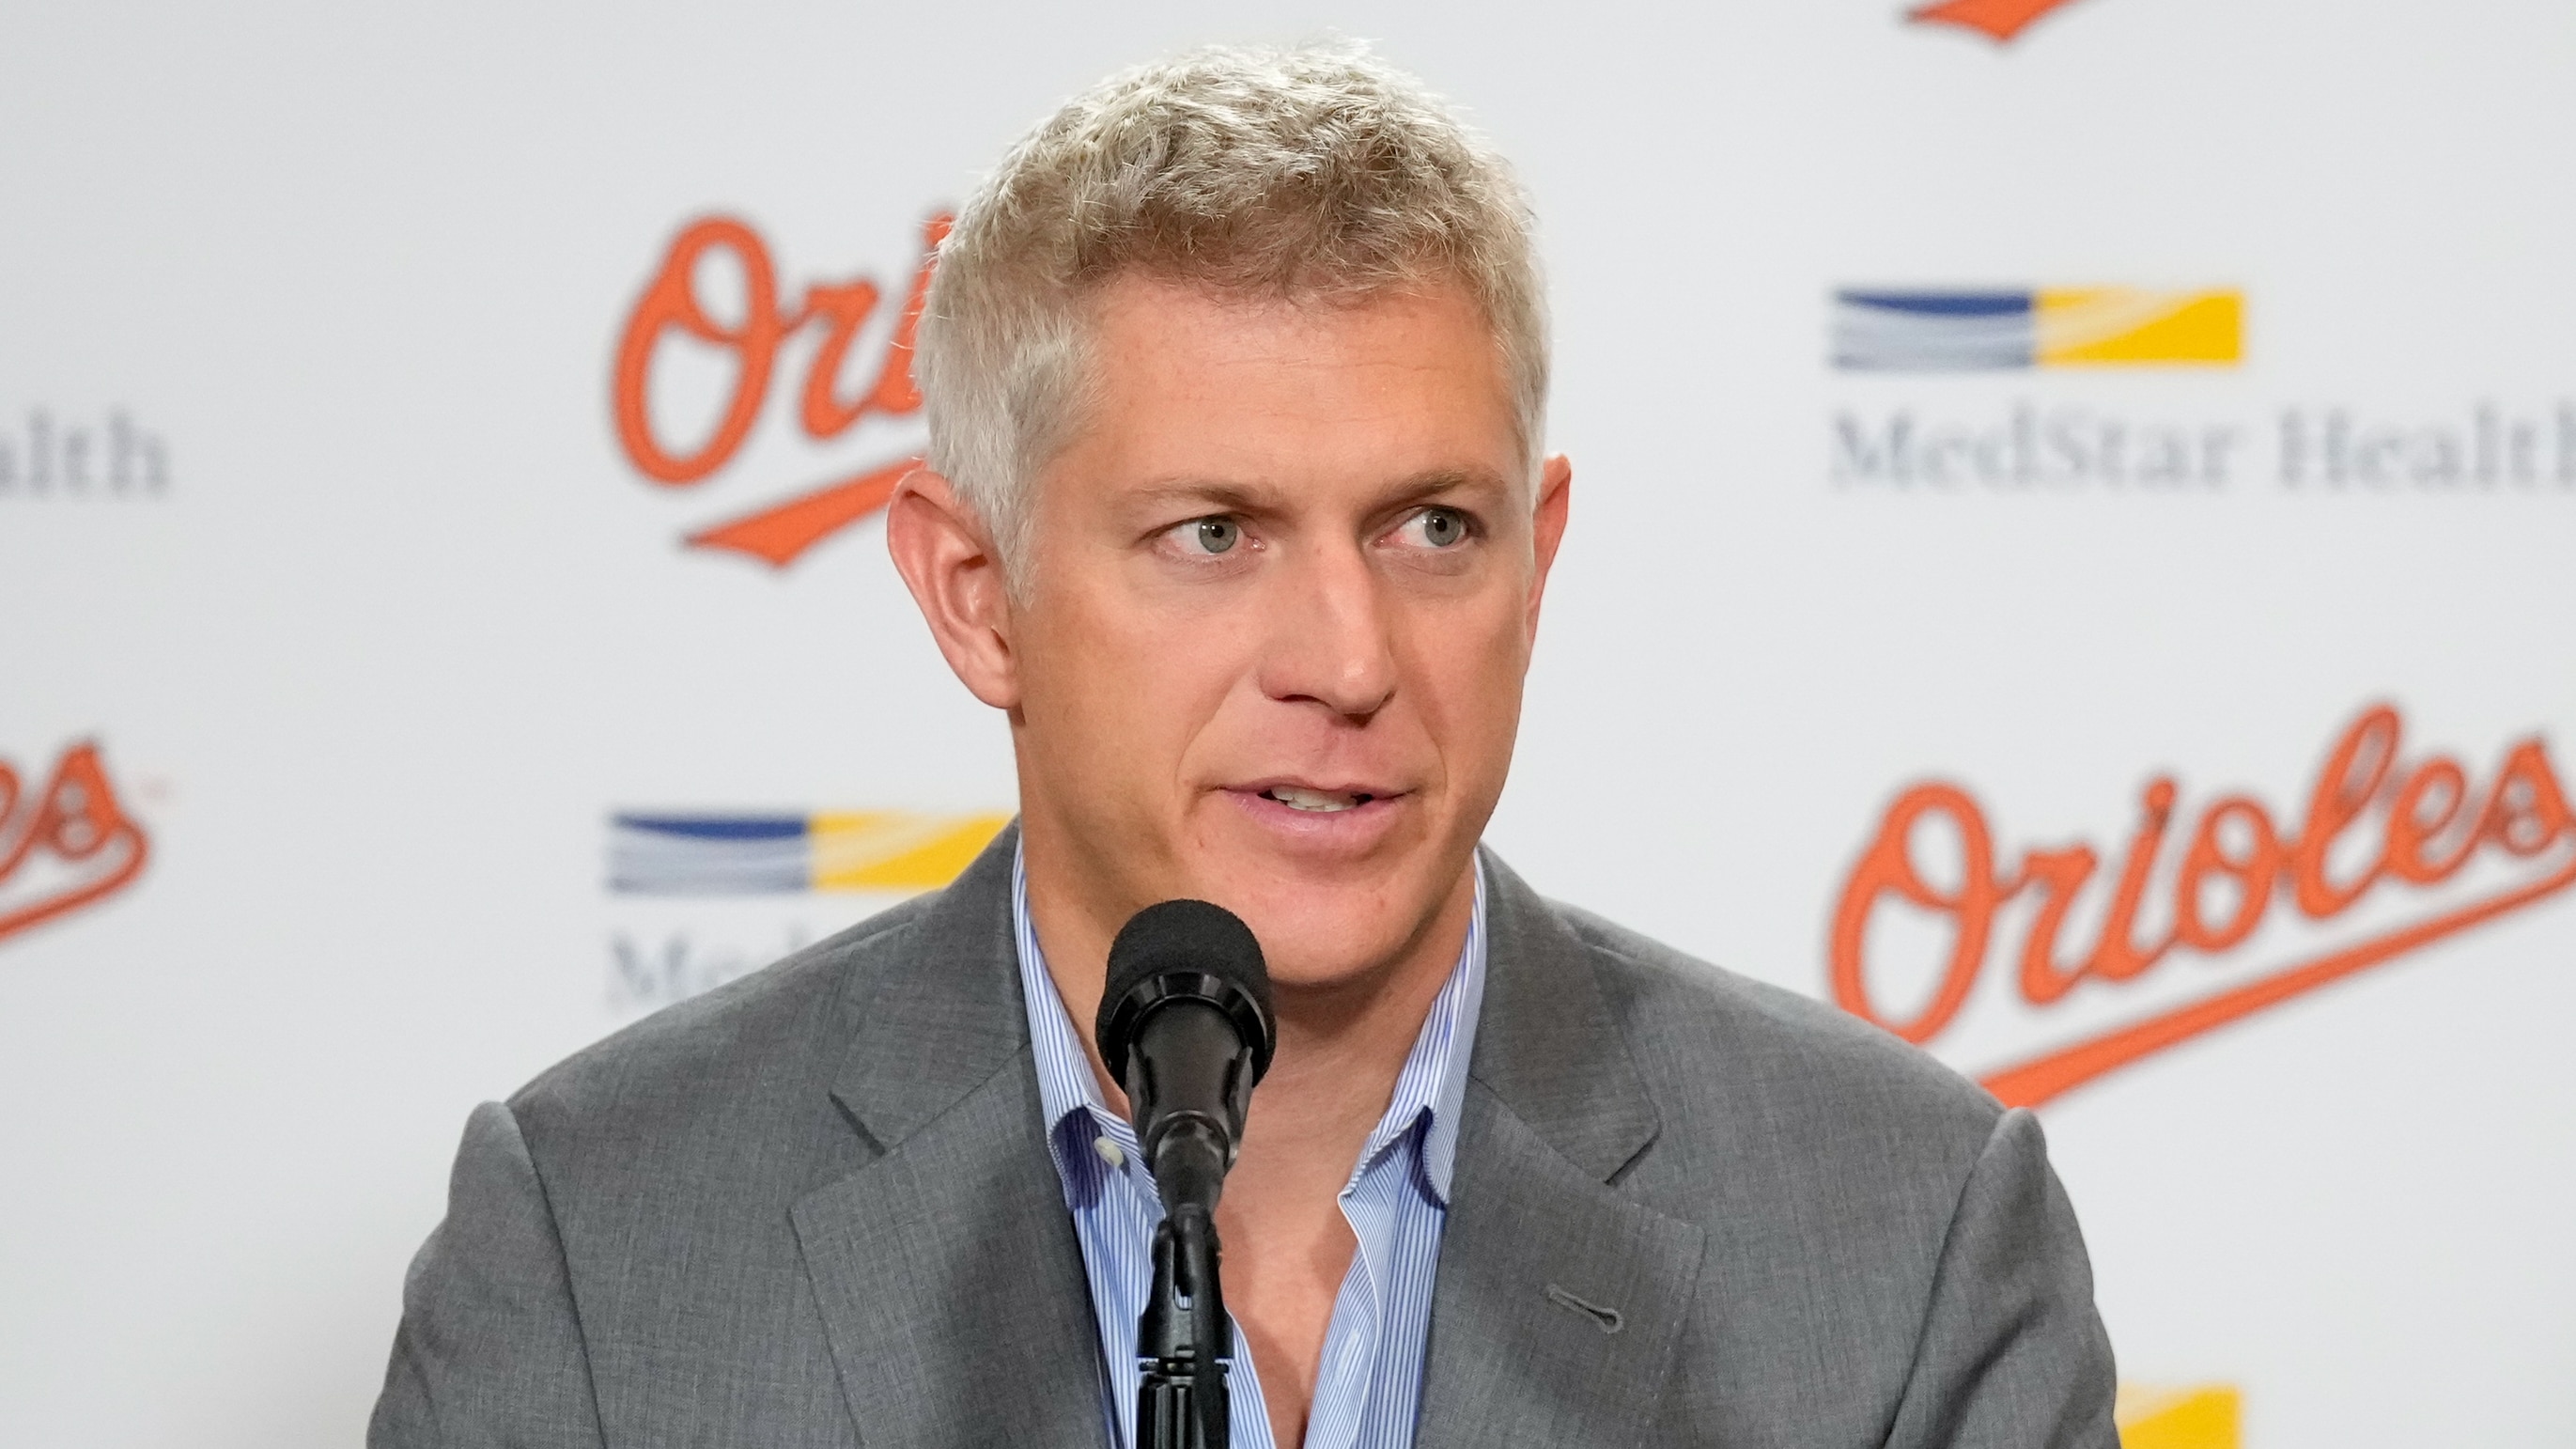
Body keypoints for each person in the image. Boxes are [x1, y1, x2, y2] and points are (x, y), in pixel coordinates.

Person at [370, 42, 2117, 1449]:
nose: (1349, 661)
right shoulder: (603, 1248)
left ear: (1539, 556)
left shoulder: (1901, 1243)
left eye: (1432, 527)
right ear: (977, 593)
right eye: (1214, 533)